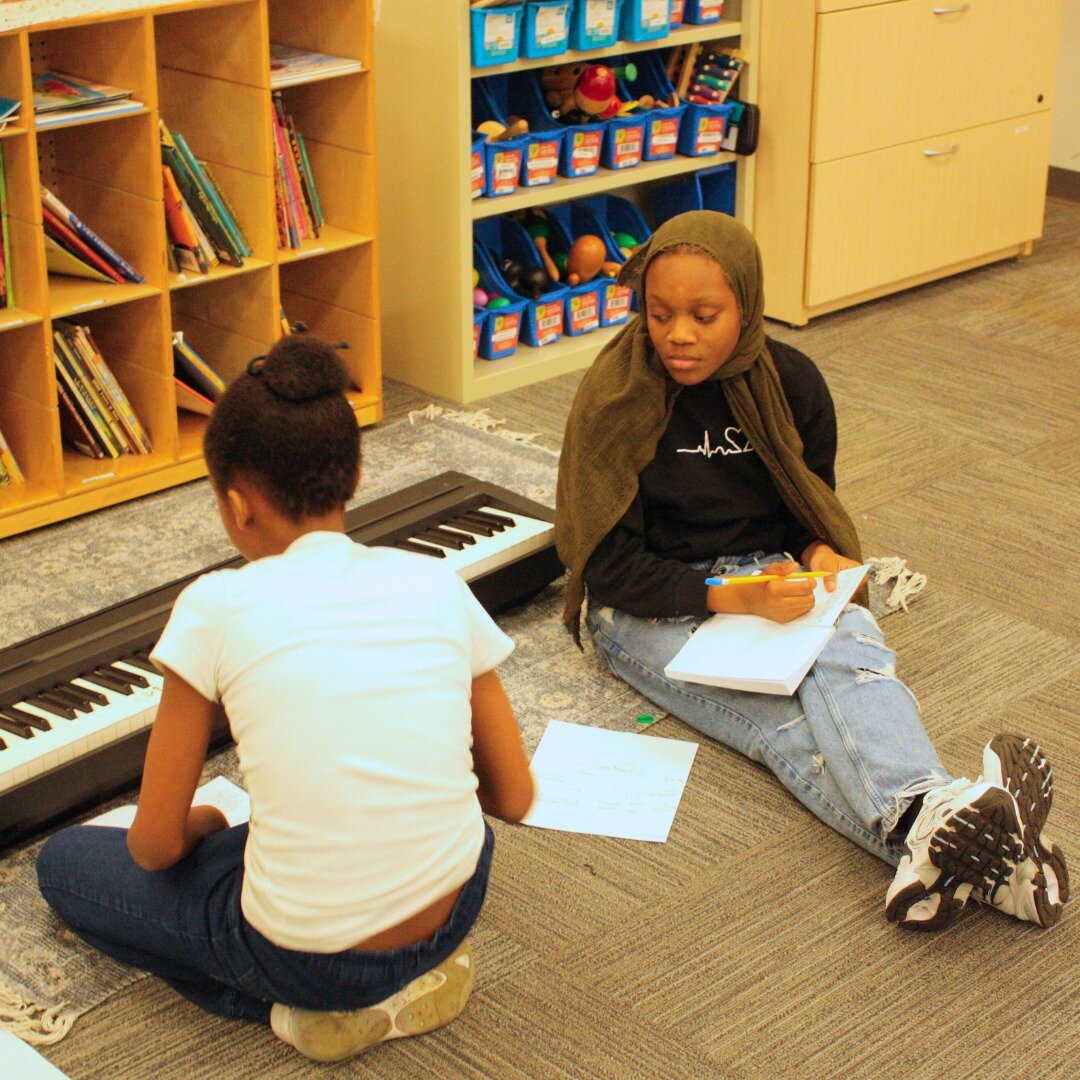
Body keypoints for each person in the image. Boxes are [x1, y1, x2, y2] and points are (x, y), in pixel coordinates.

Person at [555, 210, 1068, 931]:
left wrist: (819, 555)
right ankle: (978, 851)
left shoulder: (790, 382)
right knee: (776, 716)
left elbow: (805, 507)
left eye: (704, 316)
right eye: (660, 313)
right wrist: (731, 597)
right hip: (647, 602)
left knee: (852, 653)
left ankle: (934, 835)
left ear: (747, 306)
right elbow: (606, 567)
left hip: (765, 572)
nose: (677, 335)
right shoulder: (615, 399)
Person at [37, 335, 535, 1062]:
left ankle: (298, 1007)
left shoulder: (215, 605)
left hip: (308, 955)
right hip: (456, 906)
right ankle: (398, 979)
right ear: (357, 473)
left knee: (67, 868)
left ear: (236, 505)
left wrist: (208, 818)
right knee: (417, 828)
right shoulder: (433, 582)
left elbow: (153, 845)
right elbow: (514, 799)